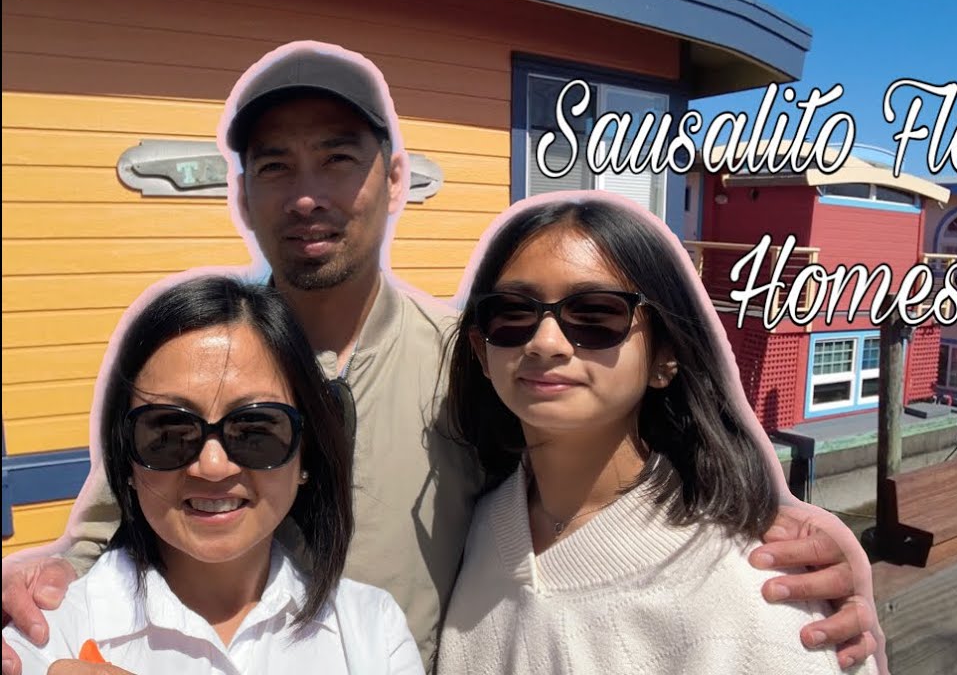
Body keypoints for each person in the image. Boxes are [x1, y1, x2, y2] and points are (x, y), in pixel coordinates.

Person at [0, 41, 885, 675]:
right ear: (242, 192)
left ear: (395, 180)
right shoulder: (198, 372)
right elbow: (91, 555)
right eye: (276, 167)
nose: (307, 194)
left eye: (339, 159)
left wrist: (806, 531)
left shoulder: (475, 360)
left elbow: (616, 456)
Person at [436, 192, 876, 674]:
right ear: (481, 350)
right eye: (513, 313)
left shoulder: (750, 585)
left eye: (596, 315)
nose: (545, 342)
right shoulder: (473, 529)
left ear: (666, 357)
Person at [2, 276, 424, 674]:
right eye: (168, 431)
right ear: (125, 457)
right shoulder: (47, 634)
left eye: (256, 430)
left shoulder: (373, 630)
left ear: (306, 452)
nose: (213, 465)